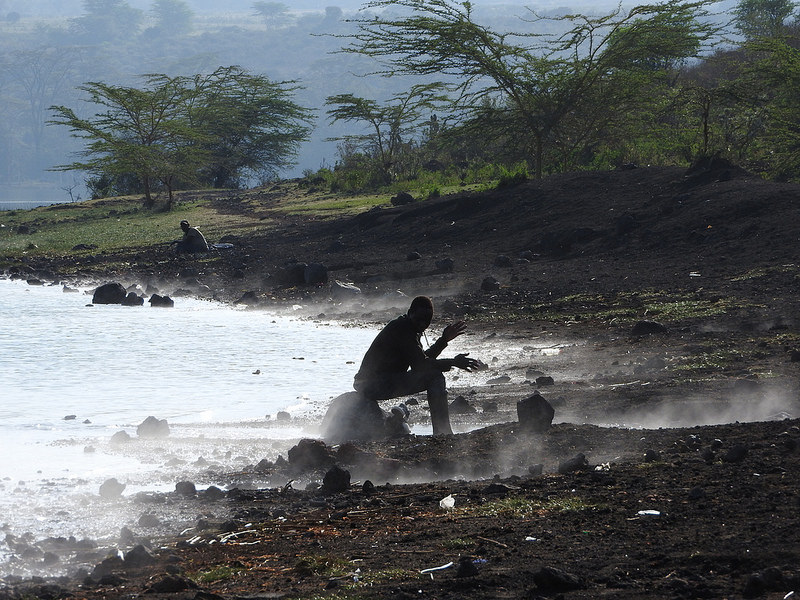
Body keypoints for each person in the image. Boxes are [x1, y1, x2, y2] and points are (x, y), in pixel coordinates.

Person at [353, 295, 483, 436]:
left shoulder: (409, 328)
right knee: (435, 377)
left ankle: (442, 432)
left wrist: (444, 340)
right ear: (410, 313)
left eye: (426, 321)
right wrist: (453, 362)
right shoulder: (402, 329)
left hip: (374, 382)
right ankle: (443, 432)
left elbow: (421, 360)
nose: (422, 324)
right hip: (371, 384)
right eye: (419, 319)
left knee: (433, 375)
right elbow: (421, 365)